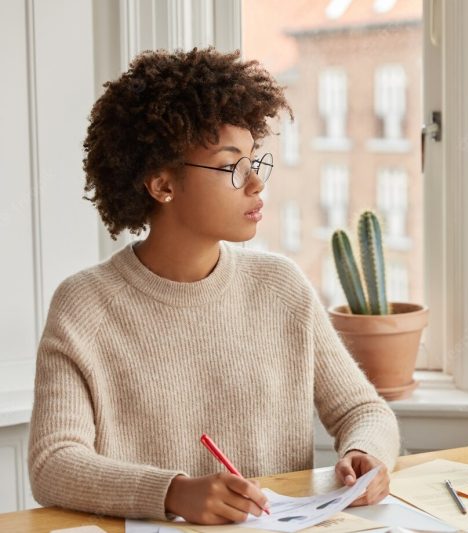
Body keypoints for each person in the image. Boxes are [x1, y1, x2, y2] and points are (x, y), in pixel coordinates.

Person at [27, 47, 400, 525]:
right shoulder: (85, 305)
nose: (255, 184)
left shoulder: (279, 286)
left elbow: (364, 410)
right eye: (231, 167)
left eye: (253, 162)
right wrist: (171, 493)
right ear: (162, 185)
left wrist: (365, 453)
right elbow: (54, 463)